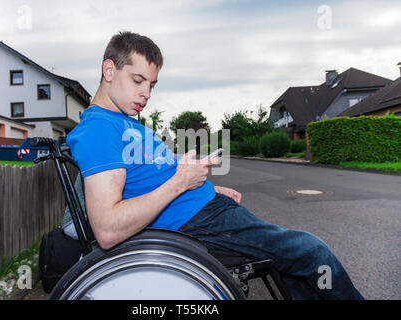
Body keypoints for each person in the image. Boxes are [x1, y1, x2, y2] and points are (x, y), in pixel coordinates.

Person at [65, 31, 364, 300]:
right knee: (314, 253)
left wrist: (207, 186)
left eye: (152, 85)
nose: (147, 94)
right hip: (198, 226)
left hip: (207, 212)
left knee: (292, 267)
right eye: (138, 81)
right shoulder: (98, 130)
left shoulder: (125, 122)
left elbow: (151, 178)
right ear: (109, 70)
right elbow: (107, 228)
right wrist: (182, 182)